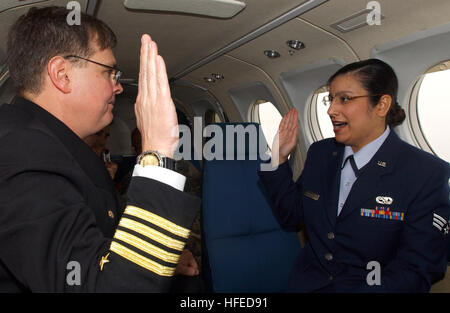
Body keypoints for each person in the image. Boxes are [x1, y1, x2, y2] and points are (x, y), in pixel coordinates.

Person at [0, 7, 200, 292]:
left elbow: (103, 239)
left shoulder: (54, 146)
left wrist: (162, 256)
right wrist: (157, 153)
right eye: (109, 72)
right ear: (62, 75)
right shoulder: (18, 151)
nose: (117, 88)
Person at [258, 59, 450, 292]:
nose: (331, 110)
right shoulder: (320, 153)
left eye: (345, 99)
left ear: (381, 105)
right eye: (331, 99)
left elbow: (417, 269)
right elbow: (291, 216)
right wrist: (276, 160)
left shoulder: (425, 172)